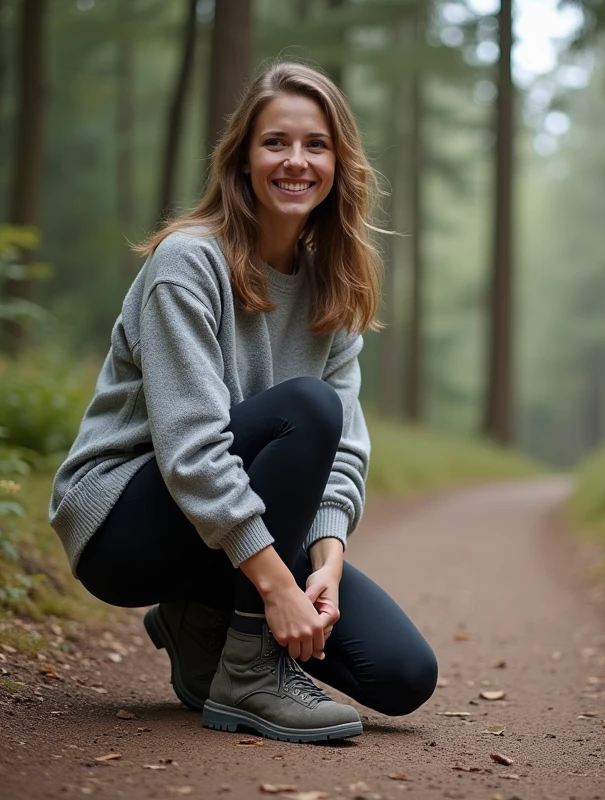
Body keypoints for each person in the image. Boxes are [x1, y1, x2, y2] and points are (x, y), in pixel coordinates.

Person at [48, 61, 437, 743]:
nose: (297, 161)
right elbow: (193, 451)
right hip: (126, 521)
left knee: (402, 675)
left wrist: (325, 564)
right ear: (243, 160)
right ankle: (249, 672)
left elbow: (342, 456)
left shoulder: (332, 288)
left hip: (224, 525)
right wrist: (278, 592)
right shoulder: (188, 263)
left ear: (340, 164)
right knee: (309, 407)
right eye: (275, 143)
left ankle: (199, 617)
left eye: (316, 145)